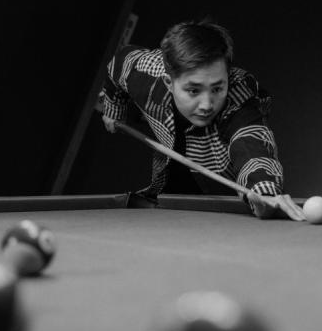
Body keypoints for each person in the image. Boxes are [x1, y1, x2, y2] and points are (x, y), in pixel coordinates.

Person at [99, 20, 305, 221]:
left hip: (226, 210)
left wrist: (264, 193)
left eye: (217, 88)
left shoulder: (239, 99)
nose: (207, 104)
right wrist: (114, 110)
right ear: (169, 83)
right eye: (193, 90)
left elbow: (251, 144)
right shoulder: (146, 74)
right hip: (166, 198)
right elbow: (119, 63)